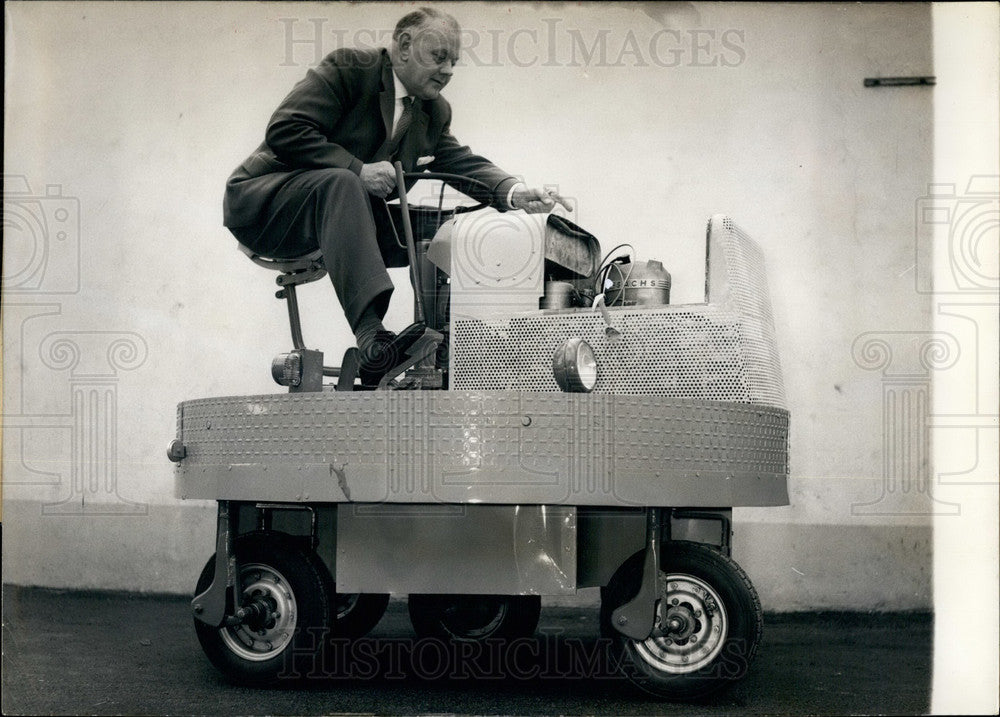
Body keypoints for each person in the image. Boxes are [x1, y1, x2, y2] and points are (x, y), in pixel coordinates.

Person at [223, 6, 570, 381]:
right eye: (440, 57)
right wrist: (357, 168)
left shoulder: (433, 112)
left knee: (441, 229)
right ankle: (372, 336)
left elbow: (458, 160)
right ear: (405, 46)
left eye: (454, 61)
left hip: (337, 209)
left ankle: (449, 338)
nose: (449, 70)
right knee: (342, 182)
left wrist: (515, 193)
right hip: (267, 204)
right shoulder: (350, 69)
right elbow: (286, 129)